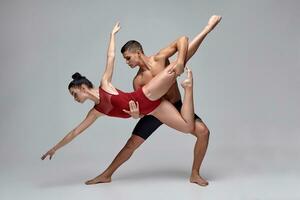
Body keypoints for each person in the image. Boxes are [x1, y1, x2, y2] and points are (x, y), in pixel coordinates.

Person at [41, 22, 196, 183]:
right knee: (187, 127)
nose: (74, 98)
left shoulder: (105, 85)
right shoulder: (96, 111)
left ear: (82, 87)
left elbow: (111, 57)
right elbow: (75, 132)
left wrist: (112, 36)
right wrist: (55, 148)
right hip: (151, 109)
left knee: (175, 68)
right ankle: (189, 88)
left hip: (146, 95)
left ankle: (207, 28)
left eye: (74, 94)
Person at [87, 15, 222, 186]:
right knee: (131, 144)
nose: (127, 62)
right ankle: (106, 175)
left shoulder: (160, 59)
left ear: (138, 52)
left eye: (128, 58)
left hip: (176, 106)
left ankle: (195, 174)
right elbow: (142, 106)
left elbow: (183, 43)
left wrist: (181, 61)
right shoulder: (138, 80)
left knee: (203, 132)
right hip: (156, 112)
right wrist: (137, 115)